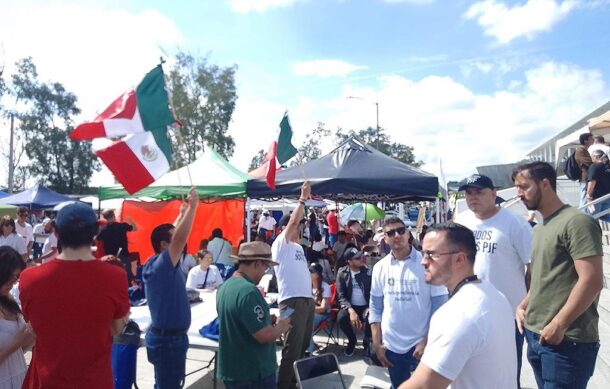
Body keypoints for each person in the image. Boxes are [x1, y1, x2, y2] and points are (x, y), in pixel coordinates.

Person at [19, 202, 130, 388]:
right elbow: (116, 328)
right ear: (95, 233)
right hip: (95, 382)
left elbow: (34, 327)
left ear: (57, 233)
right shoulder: (115, 276)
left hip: (48, 380)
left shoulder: (29, 278)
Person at [512, 161, 603, 389]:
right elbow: (544, 277)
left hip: (567, 340)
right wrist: (523, 305)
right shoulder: (541, 227)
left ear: (545, 184)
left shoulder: (577, 222)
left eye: (523, 187)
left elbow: (591, 280)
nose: (518, 194)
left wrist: (559, 324)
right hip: (537, 335)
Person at [399, 223, 517, 389]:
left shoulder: (458, 313)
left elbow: (423, 385)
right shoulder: (495, 295)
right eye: (423, 253)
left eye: (431, 255)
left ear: (460, 259)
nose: (423, 262)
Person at [455, 173, 532, 387]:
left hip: (506, 316)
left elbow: (532, 267)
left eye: (479, 192)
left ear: (494, 194)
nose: (473, 197)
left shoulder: (515, 224)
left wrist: (525, 303)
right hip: (467, 315)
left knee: (505, 379)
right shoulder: (461, 223)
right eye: (469, 193)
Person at [369, 216, 448, 388]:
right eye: (390, 232)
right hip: (391, 346)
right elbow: (375, 306)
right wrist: (377, 342)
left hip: (421, 345)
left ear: (408, 234)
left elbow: (440, 308)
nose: (396, 235)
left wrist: (427, 341)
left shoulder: (427, 263)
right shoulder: (380, 268)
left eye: (400, 230)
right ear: (385, 238)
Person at [142, 188, 198, 388]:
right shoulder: (162, 266)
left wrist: (181, 215)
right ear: (164, 245)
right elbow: (179, 239)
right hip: (169, 342)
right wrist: (193, 208)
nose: (181, 246)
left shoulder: (156, 263)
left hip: (168, 338)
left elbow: (173, 237)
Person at [216, 241, 291, 388]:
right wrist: (282, 326)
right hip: (253, 371)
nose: (265, 272)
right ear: (257, 264)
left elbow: (238, 321)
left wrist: (266, 321)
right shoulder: (249, 291)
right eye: (265, 267)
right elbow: (264, 336)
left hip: (233, 369)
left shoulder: (225, 286)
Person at [272, 182, 315, 389]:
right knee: (291, 348)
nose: (300, 226)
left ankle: (293, 383)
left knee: (302, 346)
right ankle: (284, 385)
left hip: (306, 301)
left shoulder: (297, 247)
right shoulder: (281, 243)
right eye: (296, 224)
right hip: (292, 301)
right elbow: (292, 222)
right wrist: (302, 199)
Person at [0, 246, 34, 388]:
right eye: (11, 276)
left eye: (17, 276)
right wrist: (17, 343)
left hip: (18, 376)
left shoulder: (9, 300)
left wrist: (32, 334)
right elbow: (16, 344)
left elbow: (21, 348)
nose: (14, 281)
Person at [336, 246, 372, 356]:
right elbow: (341, 296)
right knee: (341, 318)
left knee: (372, 316)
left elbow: (375, 293)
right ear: (349, 262)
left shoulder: (368, 272)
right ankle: (352, 340)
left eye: (361, 256)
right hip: (350, 306)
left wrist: (370, 306)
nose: (361, 259)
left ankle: (367, 341)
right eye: (357, 258)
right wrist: (351, 311)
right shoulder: (342, 273)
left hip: (366, 306)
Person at [97, 209, 138, 282]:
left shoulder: (104, 230)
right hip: (123, 255)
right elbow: (135, 228)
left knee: (111, 278)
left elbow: (97, 238)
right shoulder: (122, 226)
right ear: (114, 216)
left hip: (110, 258)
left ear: (105, 218)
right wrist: (130, 220)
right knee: (127, 277)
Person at [307, 263, 331, 354]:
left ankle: (308, 350)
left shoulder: (325, 287)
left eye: (311, 271)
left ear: (317, 274)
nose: (309, 273)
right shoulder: (307, 285)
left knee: (307, 321)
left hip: (323, 314)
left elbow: (323, 308)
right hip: (310, 312)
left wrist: (307, 309)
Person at [587, 149, 610, 222]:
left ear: (595, 157)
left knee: (592, 218)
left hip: (596, 198)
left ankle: (593, 232)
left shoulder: (594, 167)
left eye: (592, 157)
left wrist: (588, 195)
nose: (591, 158)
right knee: (605, 216)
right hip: (607, 196)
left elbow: (592, 181)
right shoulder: (607, 167)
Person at [575, 133, 594, 209]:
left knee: (586, 196)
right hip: (585, 177)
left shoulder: (584, 150)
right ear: (585, 141)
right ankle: (583, 213)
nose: (593, 140)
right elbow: (589, 162)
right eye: (591, 138)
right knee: (584, 197)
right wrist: (596, 160)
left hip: (586, 177)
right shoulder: (580, 150)